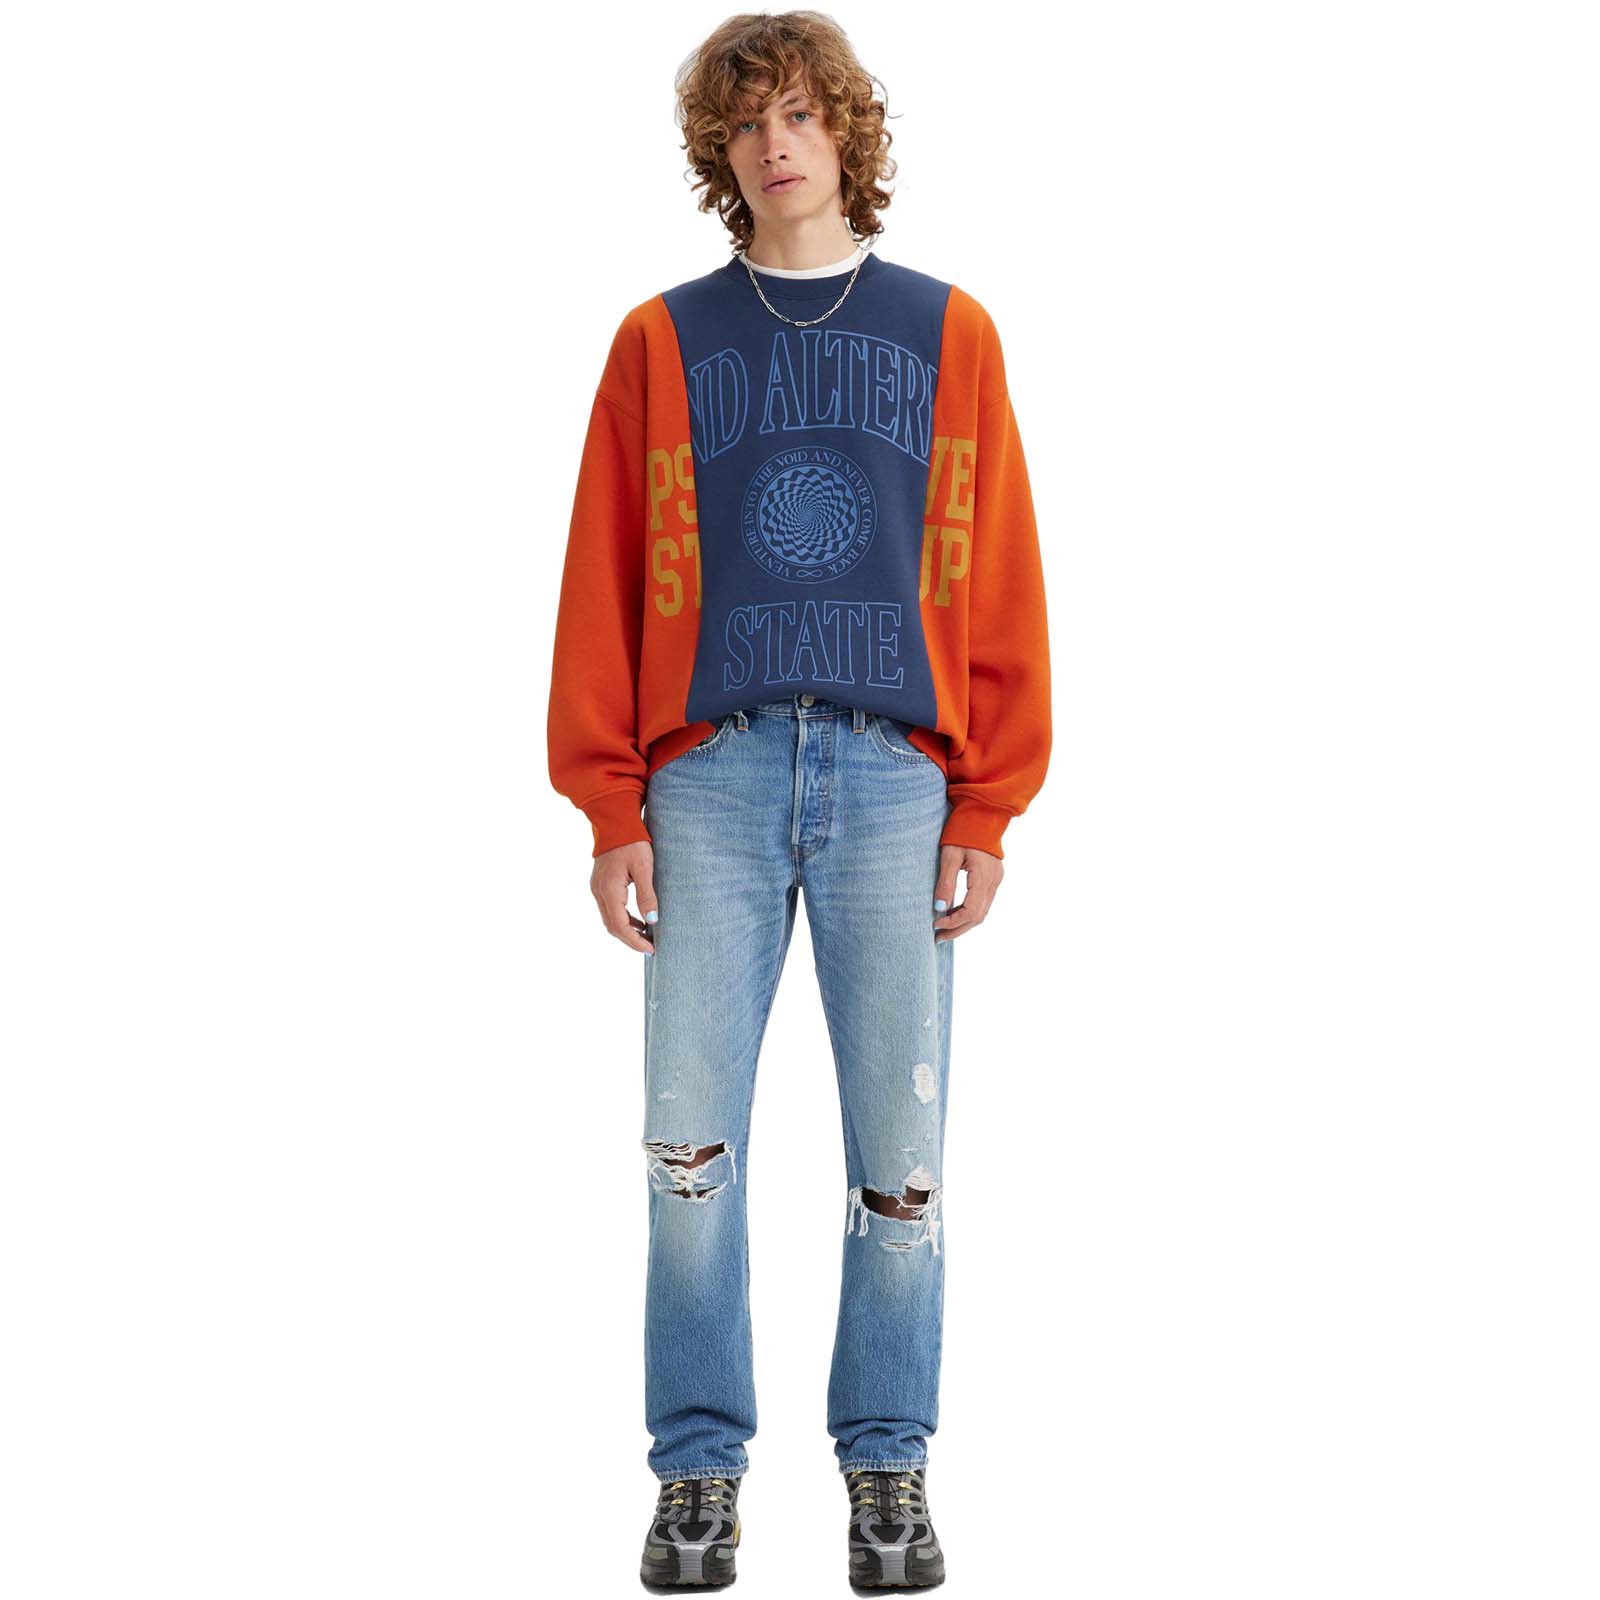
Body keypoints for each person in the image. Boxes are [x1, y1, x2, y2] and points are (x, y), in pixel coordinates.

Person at [547, 12, 1051, 1589]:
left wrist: (987, 804)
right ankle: (696, 1469)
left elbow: (995, 569)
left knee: (902, 1158)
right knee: (688, 1150)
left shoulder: (950, 334)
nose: (777, 144)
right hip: (708, 775)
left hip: (898, 778)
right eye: (747, 121)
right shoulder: (659, 344)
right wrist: (610, 803)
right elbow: (603, 573)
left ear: (848, 134)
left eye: (803, 116)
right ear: (721, 150)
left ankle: (888, 1465)